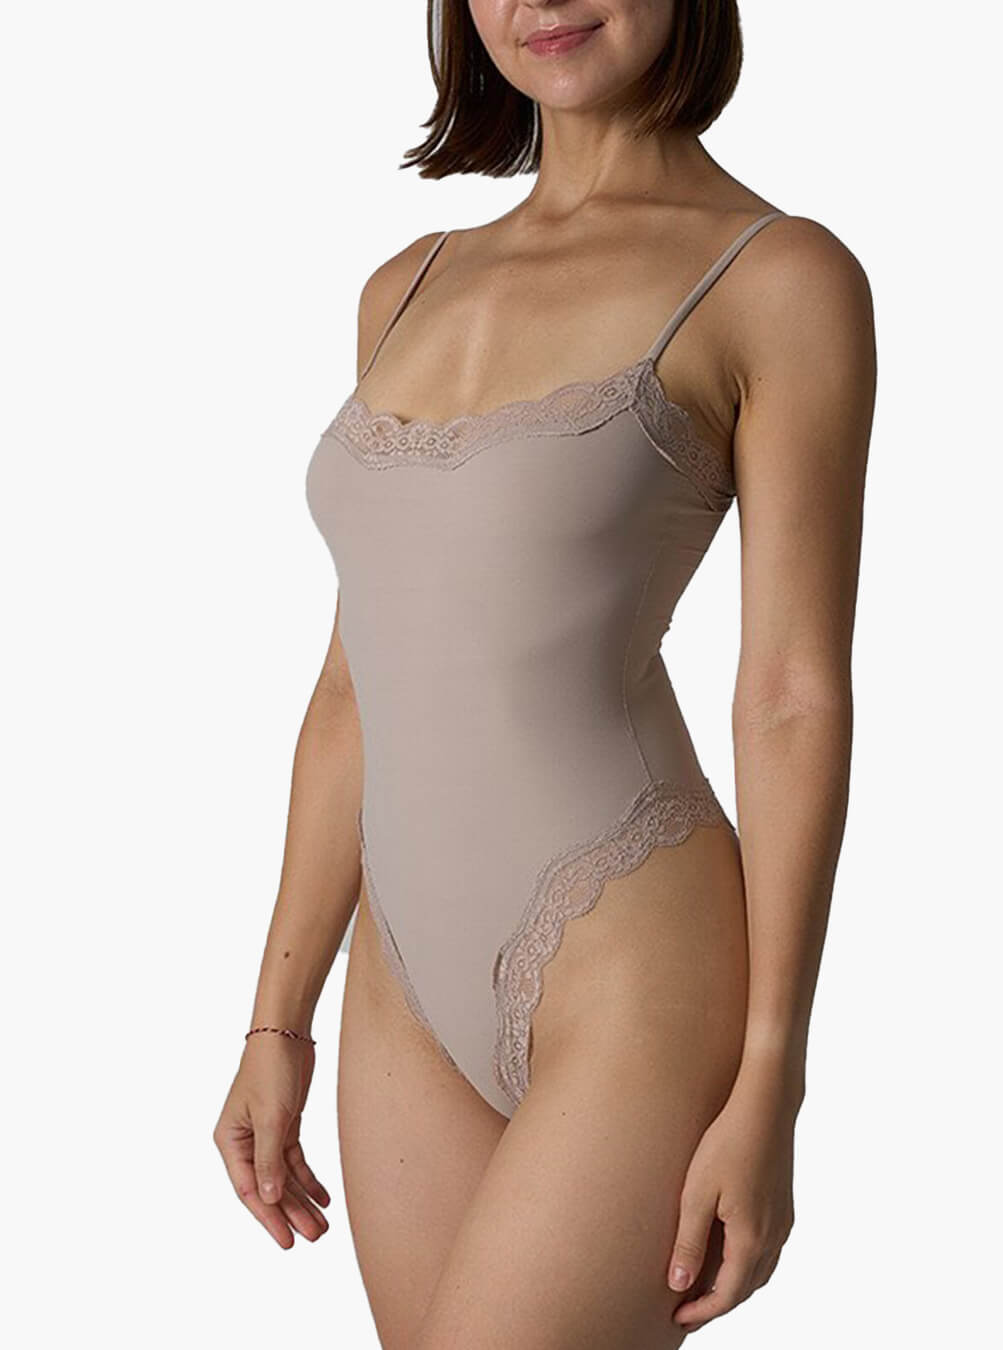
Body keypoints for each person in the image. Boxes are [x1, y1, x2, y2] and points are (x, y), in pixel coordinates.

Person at [214, 2, 876, 1345]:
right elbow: (351, 689)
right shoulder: (403, 286)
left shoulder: (777, 277)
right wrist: (275, 1022)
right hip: (401, 981)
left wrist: (772, 1076)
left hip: (629, 961)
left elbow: (791, 693)